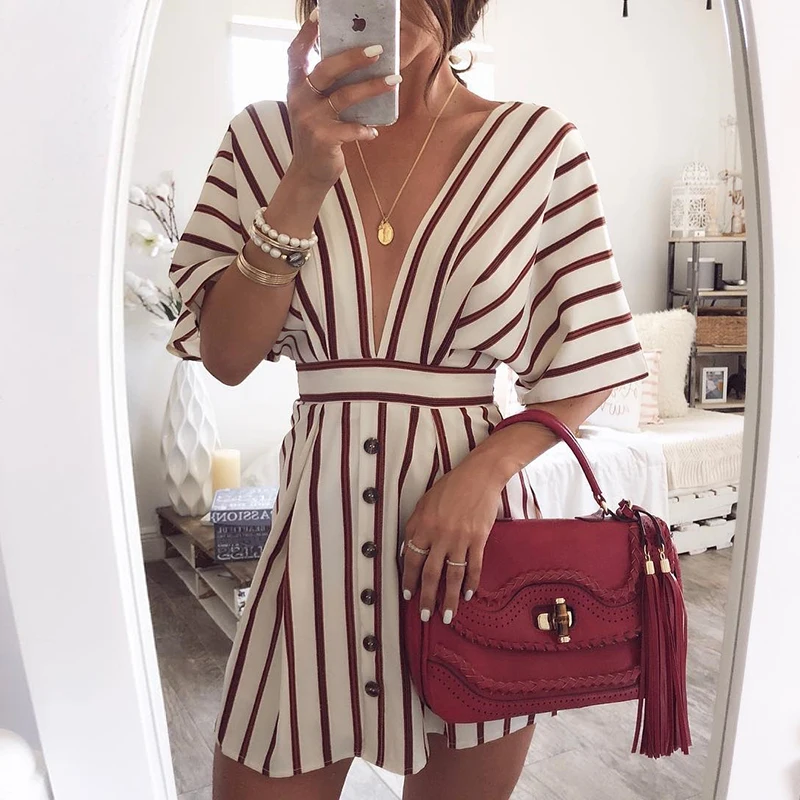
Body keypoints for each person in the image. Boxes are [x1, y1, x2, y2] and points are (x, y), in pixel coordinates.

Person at [166, 2, 648, 797]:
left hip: (470, 561)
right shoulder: (260, 140)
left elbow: (587, 359)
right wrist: (306, 175)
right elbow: (225, 357)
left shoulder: (537, 148)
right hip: (309, 558)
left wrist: (484, 475)